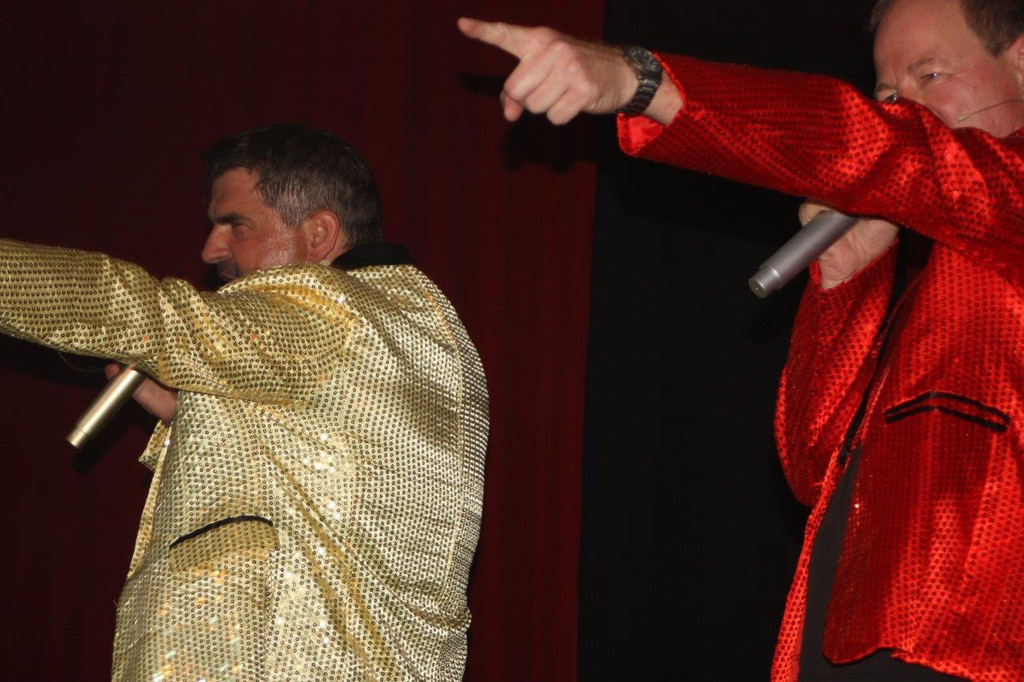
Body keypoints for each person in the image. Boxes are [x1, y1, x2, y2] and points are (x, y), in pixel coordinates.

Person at [462, 0, 1024, 679]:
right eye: (885, 96)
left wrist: (642, 82)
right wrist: (846, 279)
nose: (902, 111)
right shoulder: (932, 283)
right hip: (852, 635)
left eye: (930, 76)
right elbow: (811, 464)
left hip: (970, 642)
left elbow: (878, 146)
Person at [0, 124, 488, 680]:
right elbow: (330, 482)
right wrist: (197, 413)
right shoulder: (417, 323)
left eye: (236, 225)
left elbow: (137, 311)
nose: (210, 249)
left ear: (320, 233)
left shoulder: (328, 309)